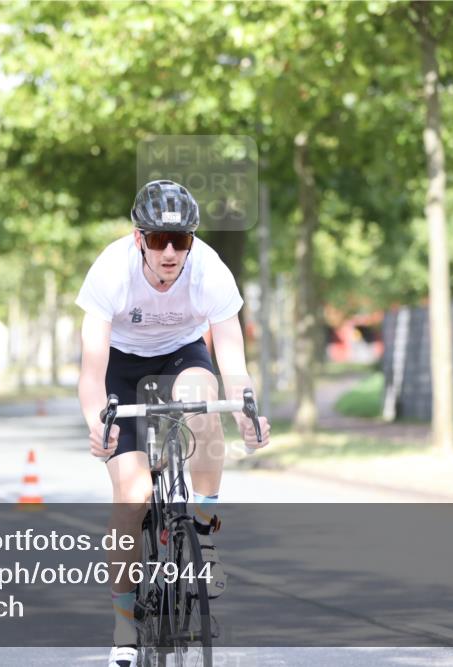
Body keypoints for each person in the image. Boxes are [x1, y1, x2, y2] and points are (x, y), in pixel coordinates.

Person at [75, 179, 271, 667]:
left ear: (191, 241)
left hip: (182, 353)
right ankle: (124, 624)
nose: (169, 252)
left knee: (202, 403)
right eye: (159, 239)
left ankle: (202, 530)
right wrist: (98, 424)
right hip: (121, 365)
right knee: (133, 493)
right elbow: (91, 372)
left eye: (180, 240)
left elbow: (233, 363)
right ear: (138, 238)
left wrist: (246, 412)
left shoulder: (210, 272)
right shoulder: (111, 272)